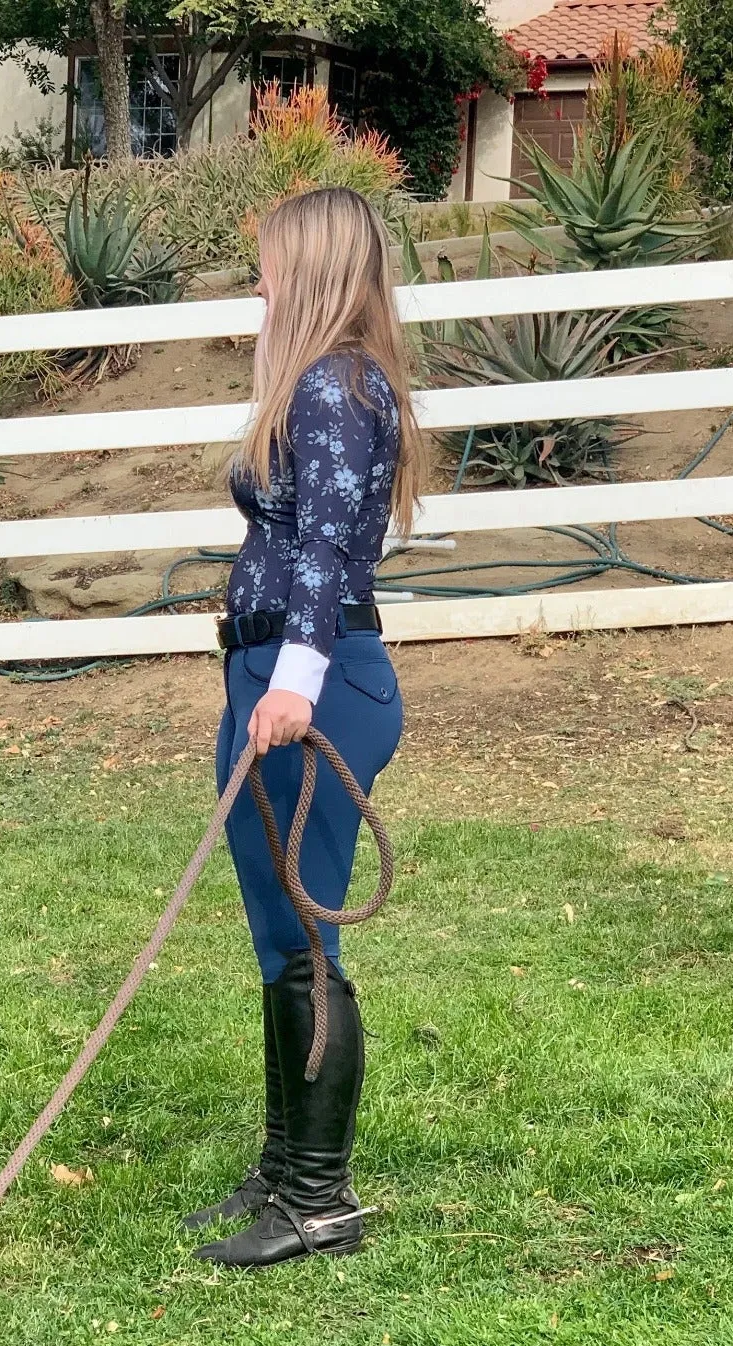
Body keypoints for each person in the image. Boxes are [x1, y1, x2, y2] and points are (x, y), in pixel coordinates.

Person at [184, 186, 420, 1270]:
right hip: (275, 675)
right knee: (283, 942)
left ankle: (320, 1197)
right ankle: (285, 1169)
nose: (260, 280)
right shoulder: (324, 382)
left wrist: (293, 681)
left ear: (313, 267)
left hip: (309, 684)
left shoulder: (333, 387)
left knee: (307, 945)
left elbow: (325, 552)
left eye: (272, 262)